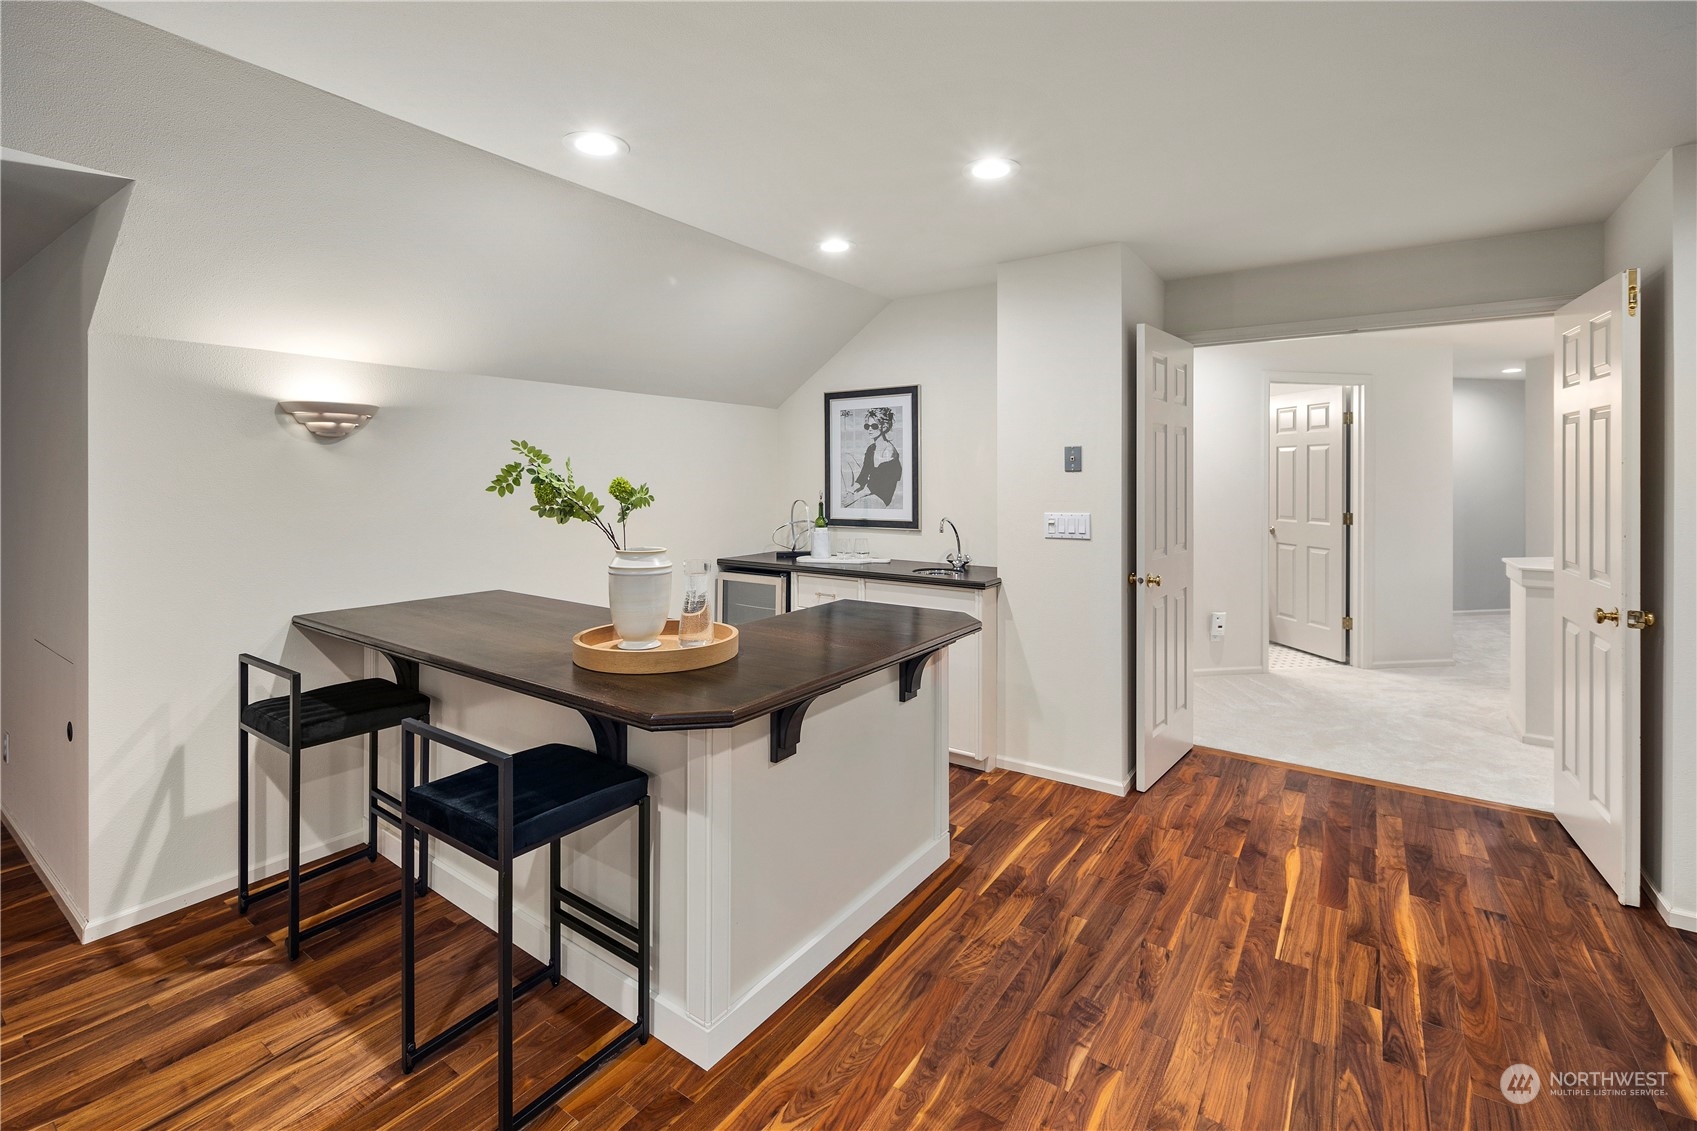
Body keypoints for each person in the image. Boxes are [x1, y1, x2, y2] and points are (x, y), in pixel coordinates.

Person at [841, 407, 902, 507]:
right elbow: (864, 474)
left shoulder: (889, 451)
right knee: (845, 458)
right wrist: (851, 491)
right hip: (869, 487)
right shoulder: (871, 448)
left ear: (884, 427)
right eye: (867, 426)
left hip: (880, 495)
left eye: (874, 426)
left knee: (851, 505)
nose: (869, 429)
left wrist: (854, 497)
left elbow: (876, 485)